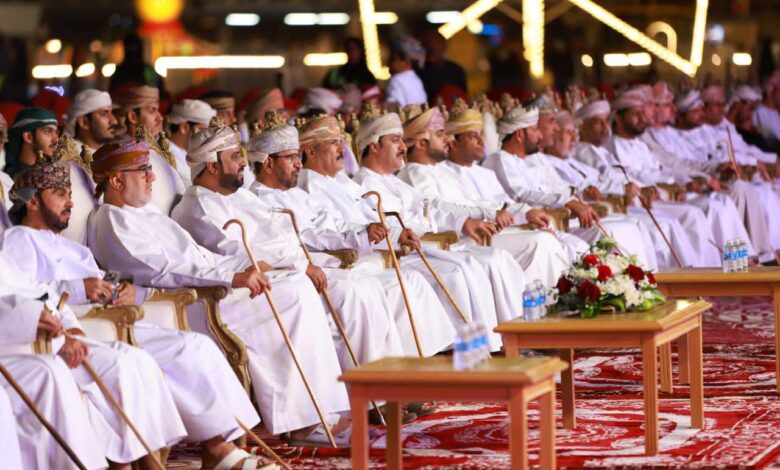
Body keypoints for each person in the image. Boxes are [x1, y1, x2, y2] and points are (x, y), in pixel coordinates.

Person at [0, 157, 274, 469]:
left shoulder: (75, 249)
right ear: (33, 201)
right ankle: (191, 454)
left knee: (194, 344)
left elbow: (100, 283)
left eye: (70, 194)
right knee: (134, 362)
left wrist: (128, 292)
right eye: (61, 194)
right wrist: (79, 289)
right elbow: (28, 294)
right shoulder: (17, 240)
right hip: (77, 326)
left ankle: (222, 447)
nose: (71, 203)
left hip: (108, 319)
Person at [86, 139, 351, 446]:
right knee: (292, 294)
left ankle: (316, 411)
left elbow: (203, 257)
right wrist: (231, 276)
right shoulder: (112, 220)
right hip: (191, 301)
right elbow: (163, 271)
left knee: (294, 283)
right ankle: (301, 421)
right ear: (116, 180)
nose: (152, 177)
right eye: (143, 170)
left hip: (211, 285)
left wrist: (248, 266)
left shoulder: (146, 214)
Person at [172, 117, 405, 377]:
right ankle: (366, 386)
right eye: (236, 156)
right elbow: (240, 253)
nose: (243, 163)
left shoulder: (239, 196)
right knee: (347, 291)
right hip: (252, 287)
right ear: (213, 166)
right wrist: (301, 265)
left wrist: (306, 262)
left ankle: (388, 381)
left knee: (366, 285)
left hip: (290, 270)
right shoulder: (200, 206)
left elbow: (286, 235)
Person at [247, 114, 454, 358]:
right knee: (369, 288)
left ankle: (417, 360)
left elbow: (333, 223)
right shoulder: (259, 199)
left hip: (339, 260)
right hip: (315, 267)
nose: (299, 164)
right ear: (268, 164)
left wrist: (388, 233)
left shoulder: (296, 195)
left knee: (404, 281)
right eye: (291, 157)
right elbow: (308, 237)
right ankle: (376, 371)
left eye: (297, 156)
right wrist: (358, 236)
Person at [352, 107, 530, 343]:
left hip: (425, 246)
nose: (403, 147)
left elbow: (433, 208)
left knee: (479, 262)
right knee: (460, 270)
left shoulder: (394, 182)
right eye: (395, 141)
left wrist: (465, 220)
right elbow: (392, 227)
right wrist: (435, 224)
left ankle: (506, 338)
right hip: (403, 253)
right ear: (374, 147)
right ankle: (465, 347)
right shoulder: (364, 184)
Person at [397, 104, 573, 286]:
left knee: (543, 240)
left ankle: (550, 294)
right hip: (459, 240)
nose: (447, 139)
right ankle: (543, 295)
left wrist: (523, 211)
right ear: (421, 143)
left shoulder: (440, 170)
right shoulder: (415, 173)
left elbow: (478, 202)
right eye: (440, 134)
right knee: (536, 243)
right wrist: (481, 217)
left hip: (478, 234)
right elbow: (436, 208)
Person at [166, 99, 216, 187]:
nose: (208, 138)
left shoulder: (190, 152)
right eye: (203, 131)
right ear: (184, 127)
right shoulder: (167, 155)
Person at [4, 107, 58, 177]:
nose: (56, 139)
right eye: (47, 131)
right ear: (28, 136)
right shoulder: (14, 178)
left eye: (56, 132)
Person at [418, 29, 467, 103]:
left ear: (443, 46)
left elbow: (463, 97)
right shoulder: (418, 71)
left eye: (435, 46)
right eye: (426, 46)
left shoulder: (456, 71)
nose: (430, 48)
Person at [385, 36, 427, 107]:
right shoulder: (417, 80)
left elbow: (394, 106)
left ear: (407, 62)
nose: (388, 63)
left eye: (393, 59)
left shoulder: (397, 80)